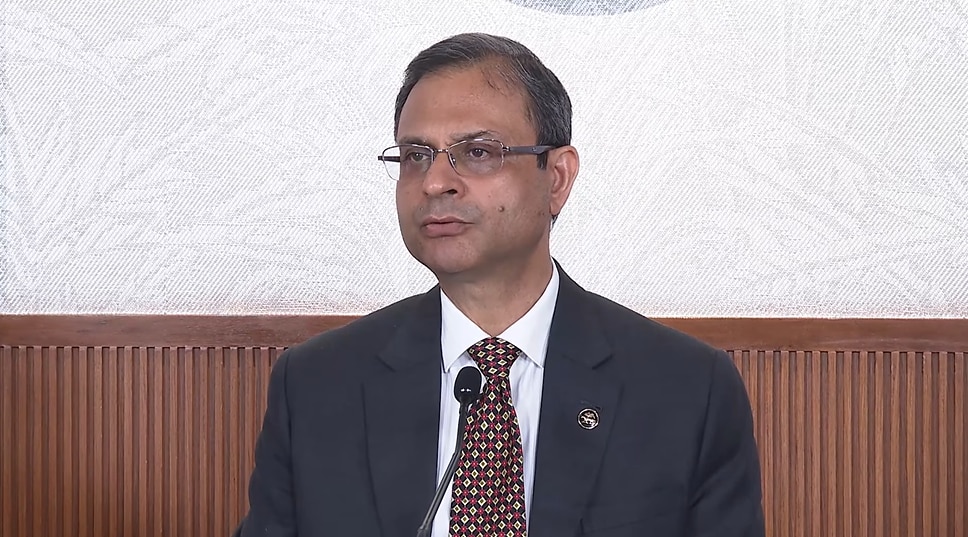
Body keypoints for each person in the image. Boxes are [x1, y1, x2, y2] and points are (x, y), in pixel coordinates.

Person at [234, 32, 764, 537]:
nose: (435, 182)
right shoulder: (318, 385)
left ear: (557, 178)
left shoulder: (686, 389)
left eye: (478, 152)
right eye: (416, 156)